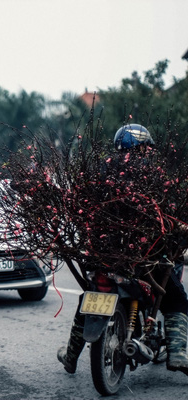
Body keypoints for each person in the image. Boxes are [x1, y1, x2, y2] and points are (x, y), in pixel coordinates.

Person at [57, 124, 188, 376]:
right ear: (142, 147)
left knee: (90, 297)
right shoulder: (152, 176)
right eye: (147, 148)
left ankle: (71, 356)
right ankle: (179, 354)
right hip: (143, 257)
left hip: (103, 256)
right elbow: (167, 214)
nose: (149, 153)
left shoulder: (98, 174)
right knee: (176, 299)